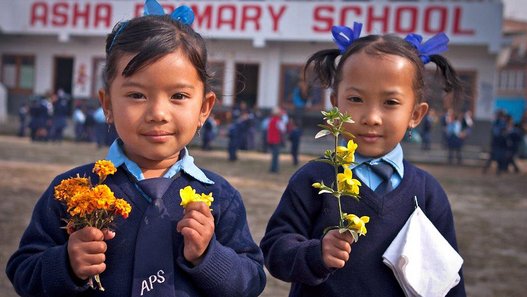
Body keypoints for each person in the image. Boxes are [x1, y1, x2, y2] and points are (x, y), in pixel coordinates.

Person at [6, 3, 266, 297]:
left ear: (204, 108)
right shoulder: (73, 191)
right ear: (107, 105)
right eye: (137, 95)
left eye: (178, 96)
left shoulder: (221, 197)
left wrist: (208, 255)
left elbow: (251, 282)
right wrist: (67, 263)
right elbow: (23, 272)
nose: (157, 113)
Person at [260, 24, 466, 296]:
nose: (371, 117)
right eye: (356, 99)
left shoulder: (427, 193)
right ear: (336, 104)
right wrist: (315, 254)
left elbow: (448, 278)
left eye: (390, 102)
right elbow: (275, 251)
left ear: (416, 114)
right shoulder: (313, 179)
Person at [267, 107, 286, 173]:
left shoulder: (271, 120)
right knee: (276, 155)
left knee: (273, 155)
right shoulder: (278, 121)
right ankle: (275, 169)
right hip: (276, 140)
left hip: (271, 139)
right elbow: (283, 129)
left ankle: (272, 168)